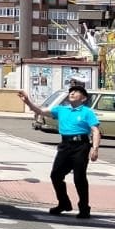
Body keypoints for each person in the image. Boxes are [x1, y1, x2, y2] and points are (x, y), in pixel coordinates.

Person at [18, 82, 101, 218]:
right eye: (71, 91)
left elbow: (95, 131)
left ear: (84, 98)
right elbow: (40, 111)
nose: (72, 93)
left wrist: (95, 148)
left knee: (79, 177)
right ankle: (63, 203)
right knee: (56, 175)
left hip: (81, 146)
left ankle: (84, 208)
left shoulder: (87, 112)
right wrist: (28, 101)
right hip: (65, 145)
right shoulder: (61, 109)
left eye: (76, 92)